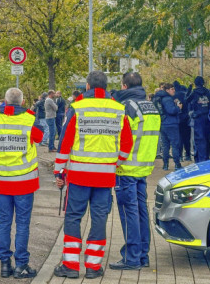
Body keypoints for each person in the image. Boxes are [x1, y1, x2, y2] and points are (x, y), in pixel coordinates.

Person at [53, 71, 134, 280]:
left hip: (79, 175)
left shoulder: (77, 108)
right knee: (99, 219)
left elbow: (65, 142)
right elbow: (127, 144)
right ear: (106, 87)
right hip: (105, 177)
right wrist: (115, 162)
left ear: (87, 86)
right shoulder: (119, 109)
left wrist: (60, 170)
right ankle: (93, 266)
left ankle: (70, 265)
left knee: (73, 217)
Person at [0, 87, 44, 279]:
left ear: (4, 100)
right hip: (24, 181)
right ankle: (21, 265)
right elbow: (40, 137)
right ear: (21, 102)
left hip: (2, 179)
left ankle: (4, 264)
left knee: (4, 221)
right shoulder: (29, 119)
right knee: (22, 223)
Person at [110, 72, 161, 270]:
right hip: (144, 166)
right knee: (141, 210)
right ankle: (142, 255)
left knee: (128, 212)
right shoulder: (150, 106)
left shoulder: (127, 107)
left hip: (126, 167)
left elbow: (120, 137)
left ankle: (131, 258)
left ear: (124, 86)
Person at [154, 83, 182, 170]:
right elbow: (171, 110)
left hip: (163, 124)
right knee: (175, 145)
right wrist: (178, 108)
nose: (174, 90)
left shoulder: (160, 98)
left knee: (165, 145)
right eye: (172, 89)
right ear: (167, 90)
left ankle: (165, 165)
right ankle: (177, 164)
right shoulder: (168, 99)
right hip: (171, 124)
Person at [187, 76, 210, 163]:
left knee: (199, 138)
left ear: (195, 83)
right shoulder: (208, 92)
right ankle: (207, 157)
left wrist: (188, 91)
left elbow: (186, 101)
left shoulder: (194, 92)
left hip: (198, 118)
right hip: (208, 118)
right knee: (207, 138)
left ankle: (200, 159)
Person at [173, 81, 192, 161]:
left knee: (179, 138)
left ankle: (180, 156)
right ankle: (188, 155)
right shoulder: (185, 94)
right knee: (187, 138)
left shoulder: (173, 96)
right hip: (186, 119)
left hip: (177, 119)